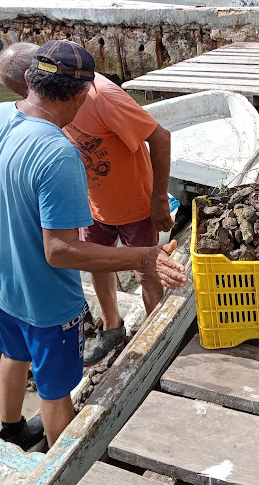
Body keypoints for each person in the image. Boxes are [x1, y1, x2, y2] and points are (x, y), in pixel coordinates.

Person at [0, 40, 187, 449]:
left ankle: (12, 429)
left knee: (13, 354)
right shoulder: (58, 153)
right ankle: (62, 464)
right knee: (55, 392)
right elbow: (59, 251)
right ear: (79, 95)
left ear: (28, 79)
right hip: (46, 301)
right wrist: (145, 256)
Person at [64, 75, 174, 366]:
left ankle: (155, 332)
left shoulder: (104, 97)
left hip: (136, 206)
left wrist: (159, 200)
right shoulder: (48, 99)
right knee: (97, 264)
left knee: (146, 271)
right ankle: (113, 327)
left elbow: (161, 136)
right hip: (91, 205)